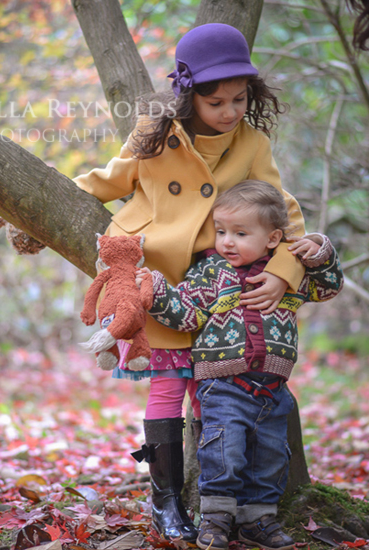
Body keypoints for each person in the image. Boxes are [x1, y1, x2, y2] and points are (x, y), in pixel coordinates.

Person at [74, 23, 307, 542]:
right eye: (216, 101)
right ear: (188, 94)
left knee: (214, 390)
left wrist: (282, 271)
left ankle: (226, 505)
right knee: (167, 385)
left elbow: (283, 214)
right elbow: (113, 178)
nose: (230, 111)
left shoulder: (252, 143)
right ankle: (166, 501)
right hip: (155, 278)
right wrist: (47, 193)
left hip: (215, 287)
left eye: (239, 99)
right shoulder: (156, 131)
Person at [136, 180, 344, 550]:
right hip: (224, 386)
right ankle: (215, 518)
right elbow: (186, 313)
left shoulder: (288, 272)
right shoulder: (211, 272)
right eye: (221, 231)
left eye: (240, 233)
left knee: (270, 457)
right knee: (223, 451)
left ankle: (258, 520)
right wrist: (157, 291)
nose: (227, 242)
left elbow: (328, 288)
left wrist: (318, 253)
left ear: (273, 238)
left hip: (273, 390)